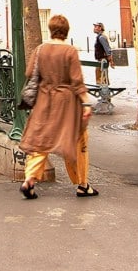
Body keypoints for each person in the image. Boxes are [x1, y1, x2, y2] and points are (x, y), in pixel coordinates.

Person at [19, 14, 98, 200]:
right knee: (77, 140)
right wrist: (86, 104)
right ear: (66, 31)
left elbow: (30, 72)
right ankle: (82, 184)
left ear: (50, 29)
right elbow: (77, 81)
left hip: (45, 101)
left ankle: (29, 180)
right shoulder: (70, 51)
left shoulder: (40, 49)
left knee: (40, 141)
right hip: (67, 104)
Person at [92, 22, 114, 86]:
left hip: (102, 60)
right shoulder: (99, 37)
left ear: (100, 28)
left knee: (102, 79)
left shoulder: (101, 37)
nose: (94, 28)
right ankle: (104, 89)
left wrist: (111, 60)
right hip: (100, 60)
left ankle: (104, 91)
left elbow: (107, 49)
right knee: (101, 78)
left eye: (95, 27)